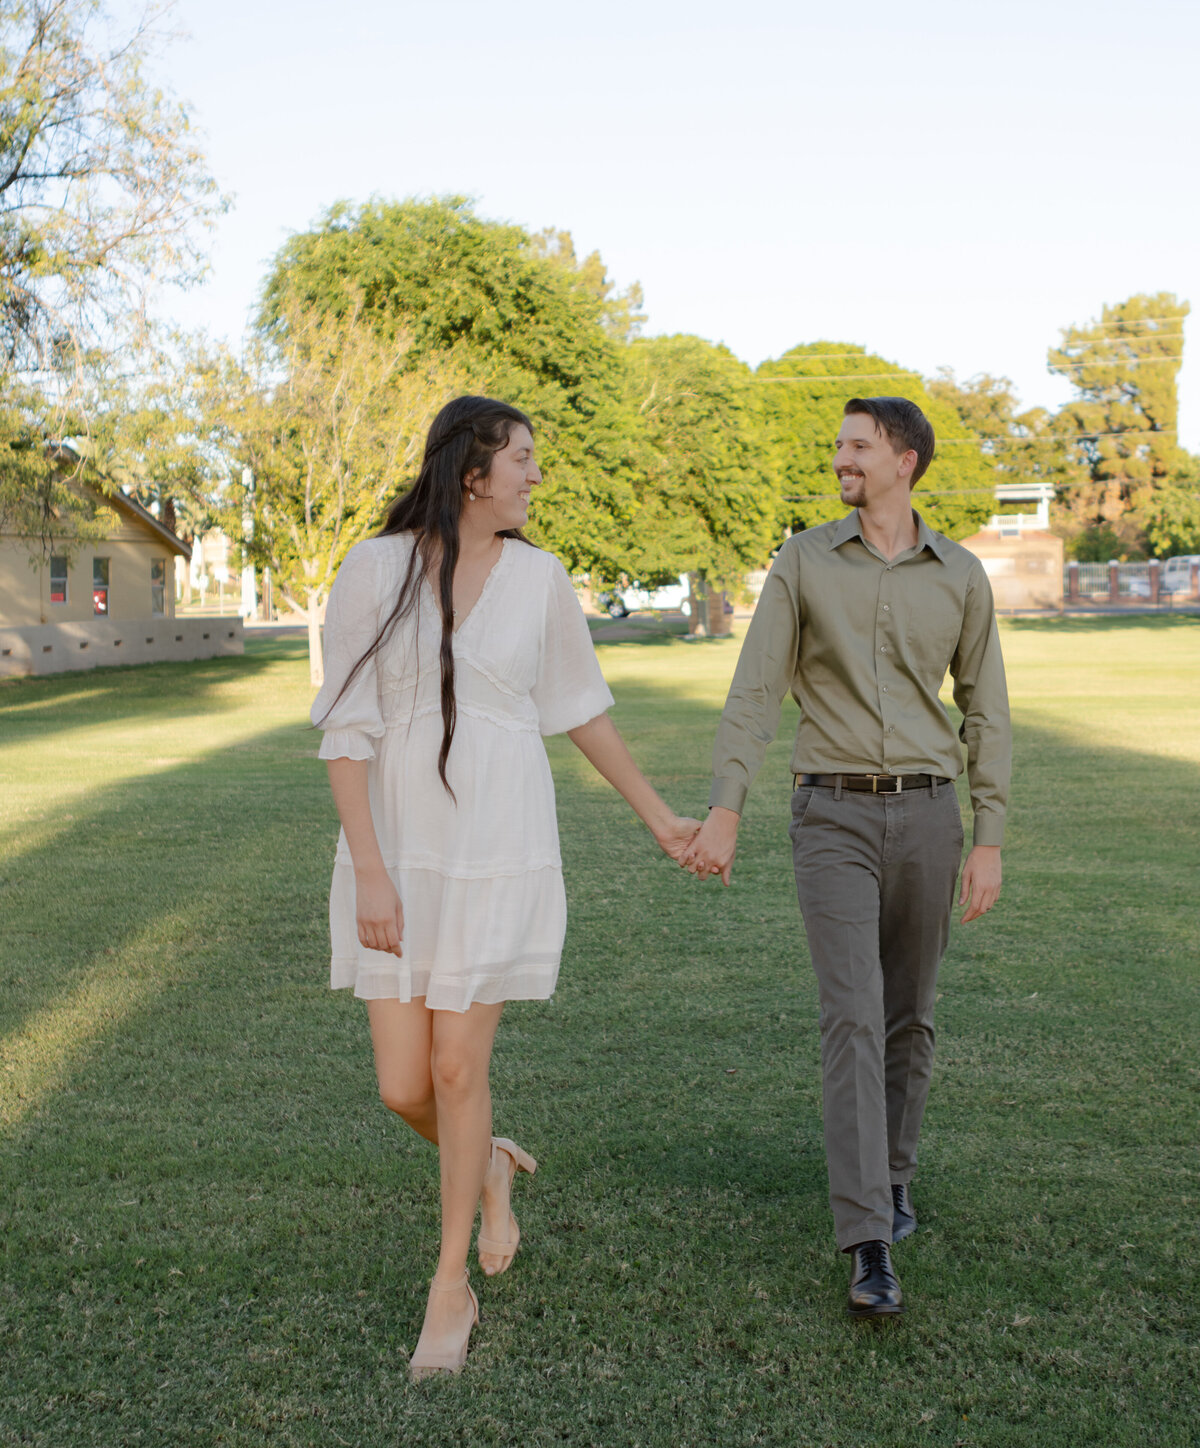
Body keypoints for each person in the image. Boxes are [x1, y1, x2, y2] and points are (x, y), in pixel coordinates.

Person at [311, 395, 700, 1377]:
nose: (535, 475)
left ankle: (450, 1288)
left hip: (499, 846)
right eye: (521, 458)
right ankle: (485, 1160)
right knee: (402, 1086)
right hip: (397, 855)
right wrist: (370, 871)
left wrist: (660, 818)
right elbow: (346, 731)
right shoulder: (373, 569)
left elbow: (581, 710)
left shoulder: (540, 579)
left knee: (456, 1070)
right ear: (471, 471)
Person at [681, 396, 1010, 1318]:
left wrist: (988, 837)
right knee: (853, 1017)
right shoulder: (803, 561)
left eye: (858, 445)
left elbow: (985, 710)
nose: (840, 459)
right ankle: (868, 1240)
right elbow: (755, 691)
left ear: (906, 460)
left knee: (910, 1017)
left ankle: (895, 1175)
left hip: (930, 817)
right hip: (830, 816)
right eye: (838, 445)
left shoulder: (961, 574)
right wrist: (726, 807)